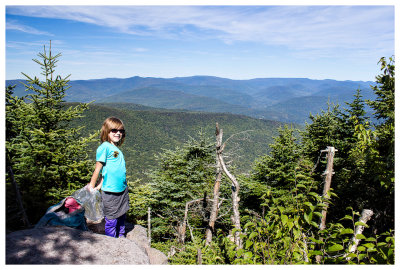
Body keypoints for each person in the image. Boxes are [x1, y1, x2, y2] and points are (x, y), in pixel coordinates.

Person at [88, 117, 129, 238]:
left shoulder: (115, 148)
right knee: (111, 219)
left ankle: (121, 237)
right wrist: (92, 186)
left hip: (122, 188)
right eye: (114, 130)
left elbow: (106, 172)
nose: (118, 133)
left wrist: (99, 185)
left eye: (121, 131)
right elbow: (98, 169)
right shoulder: (104, 147)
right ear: (107, 131)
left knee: (122, 214)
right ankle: (111, 241)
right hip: (111, 191)